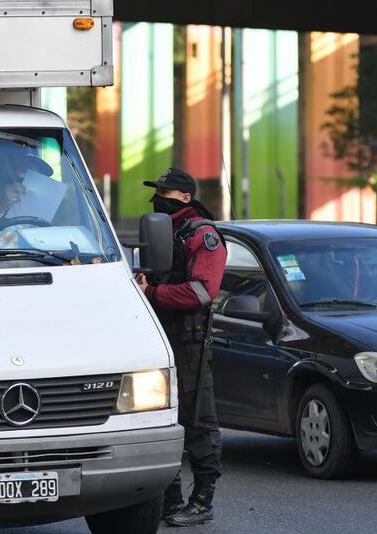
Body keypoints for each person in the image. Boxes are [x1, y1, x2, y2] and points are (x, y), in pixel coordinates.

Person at [135, 168, 226, 527]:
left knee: (197, 419)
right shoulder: (164, 230)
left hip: (188, 340)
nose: (158, 197)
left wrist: (153, 293)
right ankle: (170, 500)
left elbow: (203, 291)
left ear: (185, 198)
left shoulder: (202, 235)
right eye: (157, 190)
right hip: (160, 335)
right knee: (161, 416)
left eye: (165, 192)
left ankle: (202, 500)